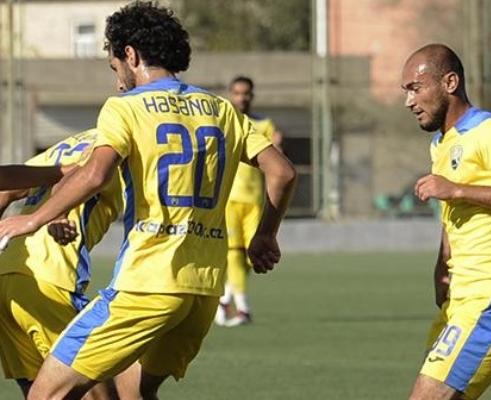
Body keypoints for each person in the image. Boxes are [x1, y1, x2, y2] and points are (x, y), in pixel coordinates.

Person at [0, 2, 296, 398]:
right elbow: (283, 172)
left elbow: (94, 174)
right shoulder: (222, 110)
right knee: (133, 392)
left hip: (146, 284)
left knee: (45, 394)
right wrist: (266, 234)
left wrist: (32, 220)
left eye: (114, 66)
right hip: (202, 292)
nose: (117, 80)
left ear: (131, 55)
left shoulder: (125, 108)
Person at [401, 43, 491, 400]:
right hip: (462, 294)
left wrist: (456, 189)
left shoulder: (490, 132)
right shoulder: (441, 143)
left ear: (450, 83)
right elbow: (452, 213)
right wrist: (442, 266)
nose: (409, 101)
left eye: (416, 88)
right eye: (406, 91)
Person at [0, 129, 122, 399]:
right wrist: (58, 214)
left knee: (41, 392)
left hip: (7, 275)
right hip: (51, 277)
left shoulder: (69, 144)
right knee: (96, 393)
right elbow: (81, 174)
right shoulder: (120, 139)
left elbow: (7, 189)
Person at [215, 76, 284, 327]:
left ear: (252, 95)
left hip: (255, 200)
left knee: (251, 257)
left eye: (245, 93)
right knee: (234, 253)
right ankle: (243, 309)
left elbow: (277, 162)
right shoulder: (224, 122)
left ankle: (224, 300)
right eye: (237, 93)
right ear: (230, 94)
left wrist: (278, 146)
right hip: (229, 199)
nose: (241, 98)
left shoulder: (264, 124)